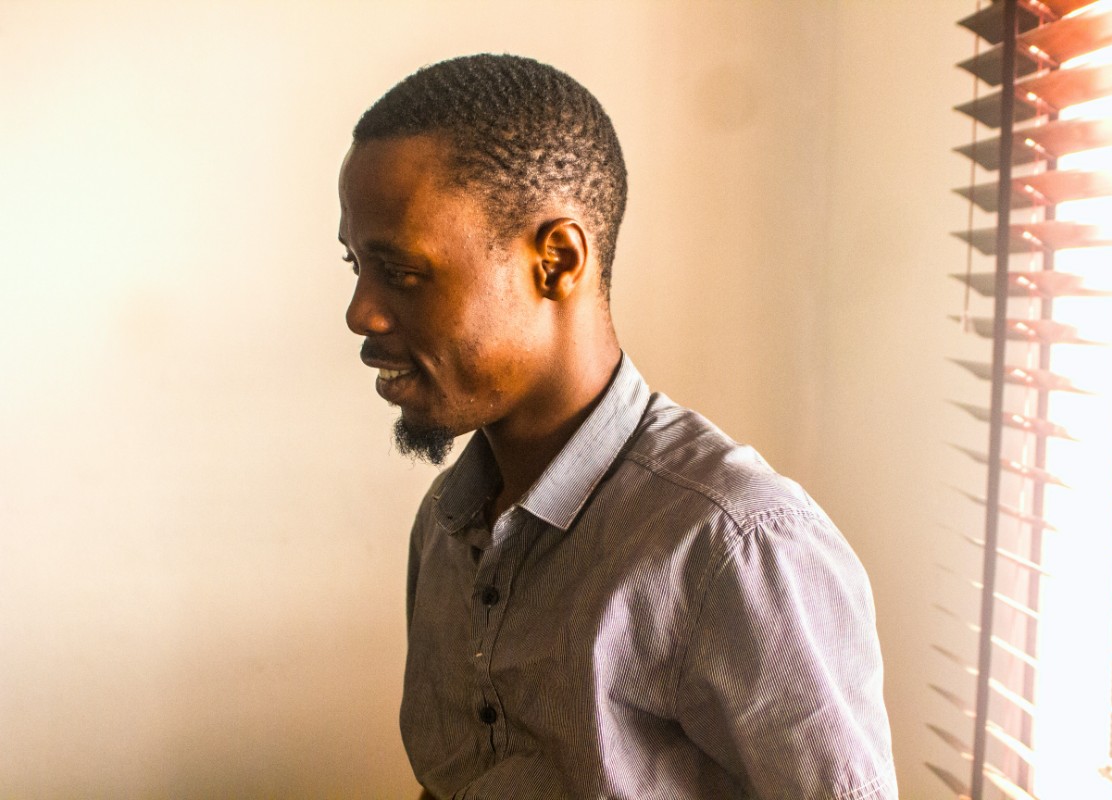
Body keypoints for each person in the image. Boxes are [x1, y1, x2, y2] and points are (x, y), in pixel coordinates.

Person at [338, 53, 896, 800]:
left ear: (557, 261)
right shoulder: (445, 524)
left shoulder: (734, 546)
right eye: (355, 266)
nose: (361, 313)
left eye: (402, 273)